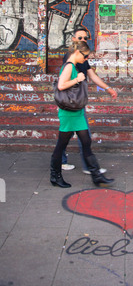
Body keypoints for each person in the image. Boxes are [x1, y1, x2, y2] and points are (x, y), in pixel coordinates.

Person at [50, 40, 114, 188]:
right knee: (61, 144)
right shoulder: (69, 66)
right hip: (68, 113)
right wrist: (77, 79)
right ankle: (55, 176)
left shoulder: (74, 65)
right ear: (78, 52)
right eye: (85, 56)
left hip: (76, 111)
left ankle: (96, 175)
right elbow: (61, 85)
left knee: (86, 142)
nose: (86, 60)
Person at [61, 27, 118, 173]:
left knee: (69, 136)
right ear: (73, 39)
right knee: (82, 137)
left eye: (85, 38)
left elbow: (92, 76)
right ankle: (87, 167)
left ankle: (62, 162)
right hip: (71, 103)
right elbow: (62, 84)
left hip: (77, 102)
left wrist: (108, 88)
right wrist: (77, 80)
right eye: (80, 38)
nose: (83, 40)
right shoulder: (70, 59)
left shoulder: (82, 58)